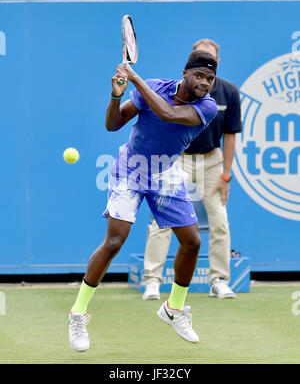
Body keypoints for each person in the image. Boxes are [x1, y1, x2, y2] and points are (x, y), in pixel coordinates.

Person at [68, 50, 218, 351]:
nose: (204, 83)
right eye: (199, 75)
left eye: (210, 79)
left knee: (192, 241)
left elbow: (170, 115)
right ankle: (77, 313)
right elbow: (113, 125)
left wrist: (135, 79)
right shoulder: (155, 86)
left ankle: (174, 309)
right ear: (184, 73)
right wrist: (115, 96)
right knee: (114, 242)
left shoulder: (208, 107)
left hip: (165, 172)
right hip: (130, 169)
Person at [142, 39, 242, 301]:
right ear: (189, 66)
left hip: (212, 160)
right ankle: (152, 281)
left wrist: (226, 174)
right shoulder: (180, 92)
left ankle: (219, 280)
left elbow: (231, 135)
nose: (206, 66)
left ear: (217, 64)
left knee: (220, 220)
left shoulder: (229, 92)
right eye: (200, 60)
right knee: (162, 219)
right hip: (179, 159)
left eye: (211, 61)